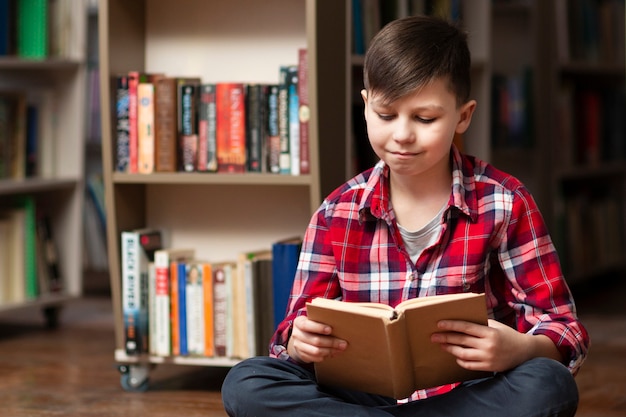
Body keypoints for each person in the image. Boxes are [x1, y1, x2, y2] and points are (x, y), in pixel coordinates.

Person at [221, 15, 589, 417]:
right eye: (385, 115)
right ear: (365, 107)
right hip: (359, 395)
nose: (402, 134)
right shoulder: (335, 212)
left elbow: (562, 327)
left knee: (549, 386)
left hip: (467, 395)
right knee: (247, 383)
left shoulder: (504, 202)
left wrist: (520, 348)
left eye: (424, 118)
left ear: (463, 116)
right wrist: (299, 342)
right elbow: (293, 333)